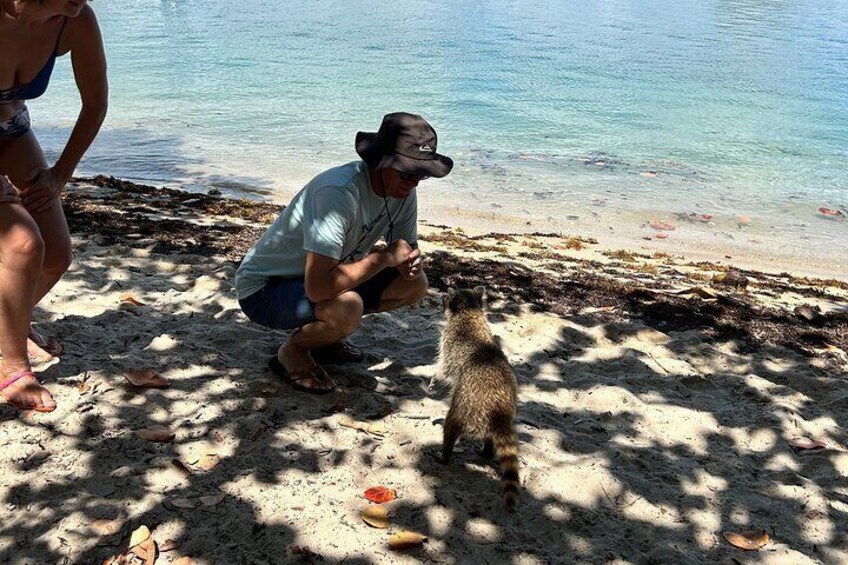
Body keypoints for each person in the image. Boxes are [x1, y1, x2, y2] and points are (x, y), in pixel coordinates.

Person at [236, 112, 453, 394]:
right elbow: (318, 287)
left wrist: (410, 262)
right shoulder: (338, 192)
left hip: (319, 282)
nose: (414, 182)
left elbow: (405, 248)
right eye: (408, 172)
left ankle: (325, 337)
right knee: (347, 306)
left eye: (422, 174)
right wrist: (385, 258)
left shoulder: (402, 192)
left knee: (415, 284)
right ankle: (294, 352)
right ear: (380, 162)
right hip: (264, 291)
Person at [0, 0, 108, 412]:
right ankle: (11, 366)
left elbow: (95, 103)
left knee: (56, 254)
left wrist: (59, 174)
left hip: (12, 129)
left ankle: (8, 326)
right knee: (24, 245)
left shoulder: (74, 20)